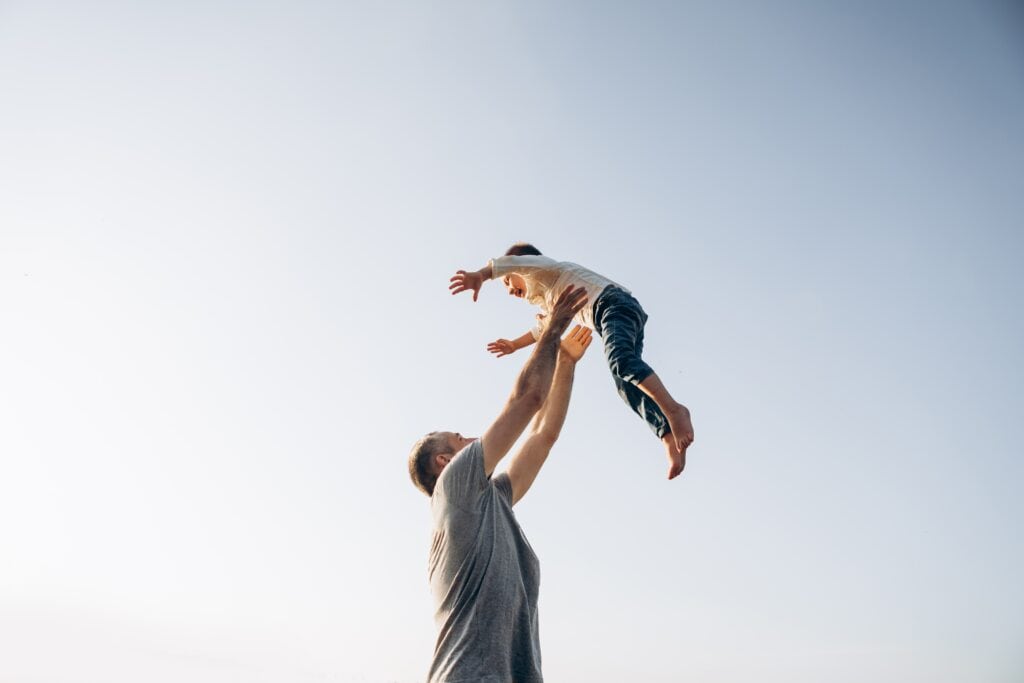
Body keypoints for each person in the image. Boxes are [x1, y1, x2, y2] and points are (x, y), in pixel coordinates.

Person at [408, 285, 591, 683]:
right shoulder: (455, 486)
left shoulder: (494, 500)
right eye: (460, 439)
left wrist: (566, 364)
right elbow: (527, 400)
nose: (473, 439)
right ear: (445, 461)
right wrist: (552, 326)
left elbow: (543, 437)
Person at [448, 242, 694, 480]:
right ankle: (666, 434)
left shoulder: (545, 268)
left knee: (622, 362)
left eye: (508, 282)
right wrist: (514, 344)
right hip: (616, 316)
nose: (511, 291)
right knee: (624, 383)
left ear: (520, 269)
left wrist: (481, 275)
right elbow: (541, 330)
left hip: (613, 305)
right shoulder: (549, 299)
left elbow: (509, 262)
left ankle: (674, 410)